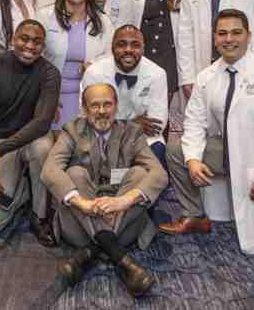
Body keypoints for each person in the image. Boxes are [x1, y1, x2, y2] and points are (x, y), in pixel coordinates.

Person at [159, 9, 254, 255]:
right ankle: (195, 215)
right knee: (177, 150)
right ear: (214, 38)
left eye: (236, 33)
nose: (229, 39)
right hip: (224, 153)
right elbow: (193, 122)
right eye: (222, 33)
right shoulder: (207, 76)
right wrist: (192, 160)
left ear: (248, 35)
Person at [42, 83, 166, 295]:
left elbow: (159, 174)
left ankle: (88, 254)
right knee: (75, 174)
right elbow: (49, 170)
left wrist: (123, 201)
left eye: (107, 104)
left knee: (139, 174)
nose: (101, 111)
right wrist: (83, 203)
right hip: (80, 224)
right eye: (94, 105)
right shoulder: (71, 131)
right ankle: (123, 260)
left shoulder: (132, 132)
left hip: (122, 218)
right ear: (84, 108)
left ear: (116, 107)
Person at [0, 20, 60, 246]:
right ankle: (24, 191)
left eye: (37, 42)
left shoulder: (50, 73)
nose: (30, 45)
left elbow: (42, 123)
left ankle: (40, 216)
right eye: (24, 39)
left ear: (43, 47)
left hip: (28, 140)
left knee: (44, 147)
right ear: (12, 39)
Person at [81, 26, 168, 167]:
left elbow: (157, 124)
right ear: (112, 47)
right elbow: (89, 118)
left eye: (135, 45)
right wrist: (133, 124)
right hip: (101, 138)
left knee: (157, 155)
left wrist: (112, 122)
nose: (128, 50)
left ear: (143, 48)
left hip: (144, 140)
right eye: (121, 44)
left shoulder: (157, 74)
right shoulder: (94, 73)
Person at [39, 0, 113, 129]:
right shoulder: (44, 17)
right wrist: (46, 99)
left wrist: (95, 65)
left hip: (88, 98)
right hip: (51, 97)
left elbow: (111, 56)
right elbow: (36, 57)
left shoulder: (103, 22)